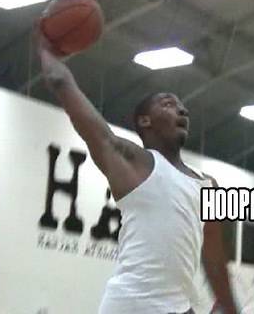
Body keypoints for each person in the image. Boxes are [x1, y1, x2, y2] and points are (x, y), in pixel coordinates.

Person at [36, 29, 238, 314]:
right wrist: (47, 49)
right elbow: (60, 82)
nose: (181, 110)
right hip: (131, 305)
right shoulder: (133, 163)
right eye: (168, 104)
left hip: (175, 307)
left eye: (182, 107)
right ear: (145, 121)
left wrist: (230, 308)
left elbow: (215, 262)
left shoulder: (209, 186)